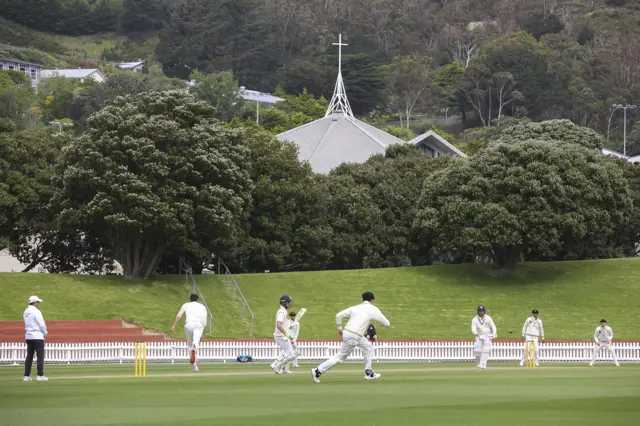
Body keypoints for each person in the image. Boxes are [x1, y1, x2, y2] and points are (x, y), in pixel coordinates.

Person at [311, 291, 390, 383]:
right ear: (372, 300)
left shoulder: (355, 308)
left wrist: (340, 328)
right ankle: (318, 370)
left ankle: (368, 372)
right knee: (339, 357)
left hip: (350, 333)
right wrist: (383, 324)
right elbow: (387, 323)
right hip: (354, 335)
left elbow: (338, 315)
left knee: (368, 347)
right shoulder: (373, 309)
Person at [171, 294, 208, 372]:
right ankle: (195, 347)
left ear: (190, 299)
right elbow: (204, 319)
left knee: (189, 345)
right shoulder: (202, 306)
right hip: (199, 324)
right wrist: (202, 332)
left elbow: (179, 315)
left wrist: (174, 325)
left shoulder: (186, 305)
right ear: (197, 299)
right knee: (196, 341)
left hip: (189, 324)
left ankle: (194, 365)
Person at [23, 295, 48, 381]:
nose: (38, 304)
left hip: (28, 335)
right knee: (40, 355)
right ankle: (40, 375)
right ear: (34, 302)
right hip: (37, 335)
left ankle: (26, 375)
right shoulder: (36, 312)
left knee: (29, 355)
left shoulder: (25, 311)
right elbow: (41, 324)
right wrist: (45, 333)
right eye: (37, 302)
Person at [270, 295, 295, 374]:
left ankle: (282, 368)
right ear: (284, 302)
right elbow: (279, 324)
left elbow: (283, 324)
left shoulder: (283, 311)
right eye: (288, 302)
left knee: (286, 352)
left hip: (281, 336)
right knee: (290, 354)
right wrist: (287, 334)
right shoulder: (281, 312)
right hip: (281, 336)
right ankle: (276, 365)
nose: (290, 304)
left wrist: (290, 326)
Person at [471, 305, 497, 369]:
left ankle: (483, 364)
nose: (481, 312)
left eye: (482, 311)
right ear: (478, 312)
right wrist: (476, 333)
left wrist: (494, 333)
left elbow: (493, 326)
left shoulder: (488, 318)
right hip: (479, 336)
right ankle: (479, 363)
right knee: (477, 351)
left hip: (487, 336)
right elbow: (473, 328)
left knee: (486, 350)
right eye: (480, 311)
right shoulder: (475, 319)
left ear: (484, 311)